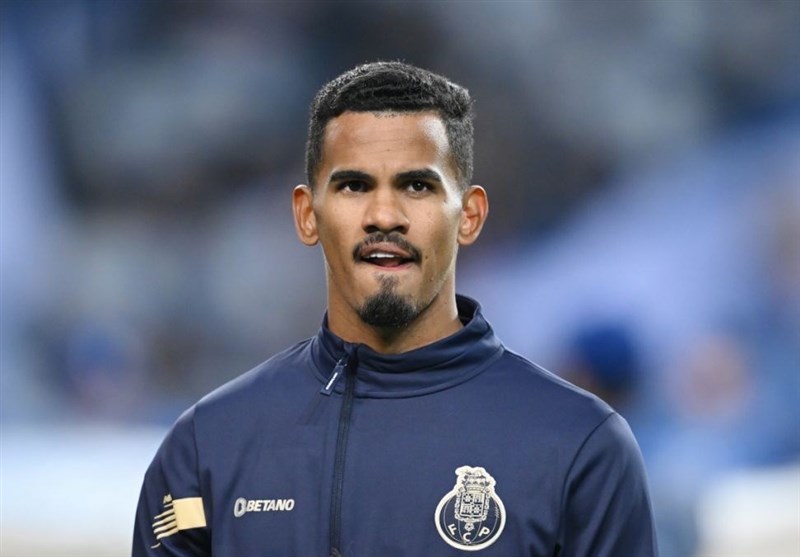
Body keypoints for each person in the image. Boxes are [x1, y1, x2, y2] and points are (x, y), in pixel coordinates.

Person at [133, 61, 658, 557]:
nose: (384, 215)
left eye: (417, 185)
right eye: (354, 185)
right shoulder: (206, 447)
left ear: (470, 216)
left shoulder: (581, 447)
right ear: (307, 214)